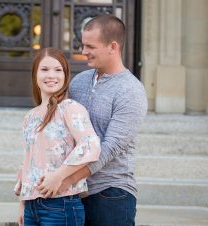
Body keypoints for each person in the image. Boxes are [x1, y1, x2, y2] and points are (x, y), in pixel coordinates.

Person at [56, 14, 148, 226]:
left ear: (112, 47)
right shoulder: (79, 81)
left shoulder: (131, 91)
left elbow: (110, 148)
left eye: (90, 46)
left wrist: (66, 179)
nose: (83, 51)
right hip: (74, 194)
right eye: (82, 44)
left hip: (111, 194)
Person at [14, 47, 101, 226]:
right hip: (32, 207)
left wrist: (59, 176)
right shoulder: (30, 116)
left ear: (65, 75)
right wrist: (23, 203)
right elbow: (28, 162)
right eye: (44, 69)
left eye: (58, 70)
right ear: (35, 74)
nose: (51, 75)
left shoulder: (70, 108)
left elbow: (90, 145)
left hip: (61, 205)